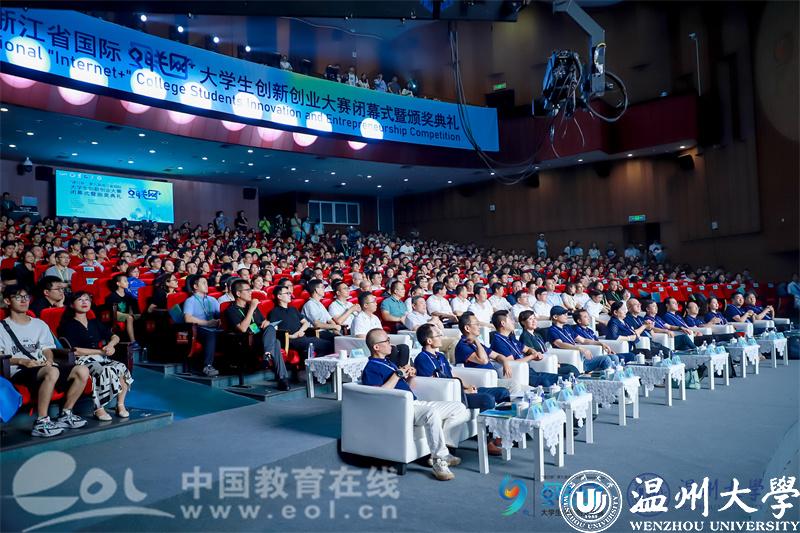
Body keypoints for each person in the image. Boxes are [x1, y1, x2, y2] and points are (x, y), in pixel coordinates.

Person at [361, 327, 470, 481]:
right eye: (387, 341)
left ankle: (443, 450)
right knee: (431, 413)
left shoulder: (388, 362)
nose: (391, 344)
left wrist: (408, 375)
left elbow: (399, 383)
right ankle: (439, 461)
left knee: (459, 407)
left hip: (414, 402)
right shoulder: (371, 368)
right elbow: (379, 396)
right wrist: (397, 375)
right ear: (376, 347)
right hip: (400, 408)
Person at [0, 285, 89, 437]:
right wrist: (23, 362)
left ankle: (66, 413)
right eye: (18, 297)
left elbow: (47, 348)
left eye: (26, 297)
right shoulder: (2, 328)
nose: (23, 300)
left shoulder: (39, 324)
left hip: (42, 366)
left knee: (82, 370)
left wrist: (49, 359)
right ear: (8, 301)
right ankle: (41, 421)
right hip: (19, 370)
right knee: (52, 371)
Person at [414, 323, 507, 456]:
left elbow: (451, 376)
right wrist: (463, 391)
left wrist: (466, 387)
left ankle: (500, 434)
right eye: (438, 335)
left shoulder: (440, 356)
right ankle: (487, 442)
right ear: (429, 341)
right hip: (452, 395)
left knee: (503, 392)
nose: (441, 336)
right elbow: (435, 384)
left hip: (460, 390)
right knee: (487, 399)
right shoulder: (422, 359)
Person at [58, 291, 133, 421]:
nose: (84, 302)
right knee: (103, 370)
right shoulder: (68, 325)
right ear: (71, 304)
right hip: (81, 360)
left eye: (87, 299)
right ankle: (99, 408)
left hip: (100, 357)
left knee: (121, 367)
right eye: (80, 300)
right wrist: (100, 352)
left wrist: (111, 345)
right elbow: (74, 350)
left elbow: (115, 336)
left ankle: (120, 405)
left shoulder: (94, 322)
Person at [224, 279, 289, 390]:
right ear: (238, 293)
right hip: (244, 342)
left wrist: (266, 323)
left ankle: (268, 356)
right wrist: (252, 308)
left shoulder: (251, 306)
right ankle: (282, 378)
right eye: (247, 290)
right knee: (276, 343)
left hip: (261, 339)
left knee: (272, 332)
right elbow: (243, 329)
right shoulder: (231, 310)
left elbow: (263, 322)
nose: (251, 292)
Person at [489, 310, 559, 387]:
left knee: (559, 377)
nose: (513, 322)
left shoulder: (511, 338)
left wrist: (534, 353)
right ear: (503, 323)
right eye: (510, 319)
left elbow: (527, 349)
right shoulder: (498, 342)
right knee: (546, 382)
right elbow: (513, 363)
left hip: (529, 371)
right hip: (520, 374)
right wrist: (532, 356)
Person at [269, 284, 334, 359]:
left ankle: (316, 363)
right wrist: (293, 336)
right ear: (279, 296)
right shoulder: (274, 312)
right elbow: (275, 332)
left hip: (303, 337)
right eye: (287, 293)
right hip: (291, 340)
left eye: (290, 293)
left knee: (330, 344)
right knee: (326, 345)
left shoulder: (293, 309)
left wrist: (300, 331)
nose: (290, 295)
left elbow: (305, 323)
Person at [352, 291, 410, 366]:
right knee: (393, 350)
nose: (376, 304)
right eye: (373, 302)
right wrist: (382, 343)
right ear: (366, 305)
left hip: (381, 343)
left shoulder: (375, 318)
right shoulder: (359, 318)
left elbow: (381, 333)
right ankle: (390, 370)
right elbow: (361, 336)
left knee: (404, 348)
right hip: (371, 346)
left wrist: (386, 342)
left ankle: (401, 370)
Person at [548, 306, 613, 372]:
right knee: (606, 359)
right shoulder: (552, 330)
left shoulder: (567, 327)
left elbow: (583, 340)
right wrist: (579, 348)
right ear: (555, 317)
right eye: (563, 314)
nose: (566, 315)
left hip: (580, 357)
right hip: (572, 358)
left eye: (566, 314)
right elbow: (559, 344)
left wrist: (601, 343)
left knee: (613, 357)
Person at [182, 275, 222, 377]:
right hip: (198, 328)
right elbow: (188, 318)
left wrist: (219, 321)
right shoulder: (190, 300)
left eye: (207, 283)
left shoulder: (212, 300)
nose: (206, 285)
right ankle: (207, 366)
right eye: (203, 283)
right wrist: (207, 323)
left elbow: (221, 315)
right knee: (210, 334)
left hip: (214, 327)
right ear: (195, 286)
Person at [571, 309, 635, 363]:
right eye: (585, 317)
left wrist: (608, 350)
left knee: (631, 355)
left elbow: (597, 341)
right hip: (594, 353)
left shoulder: (589, 330)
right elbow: (584, 342)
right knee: (615, 358)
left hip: (603, 352)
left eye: (588, 316)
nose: (588, 318)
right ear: (579, 321)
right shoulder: (576, 330)